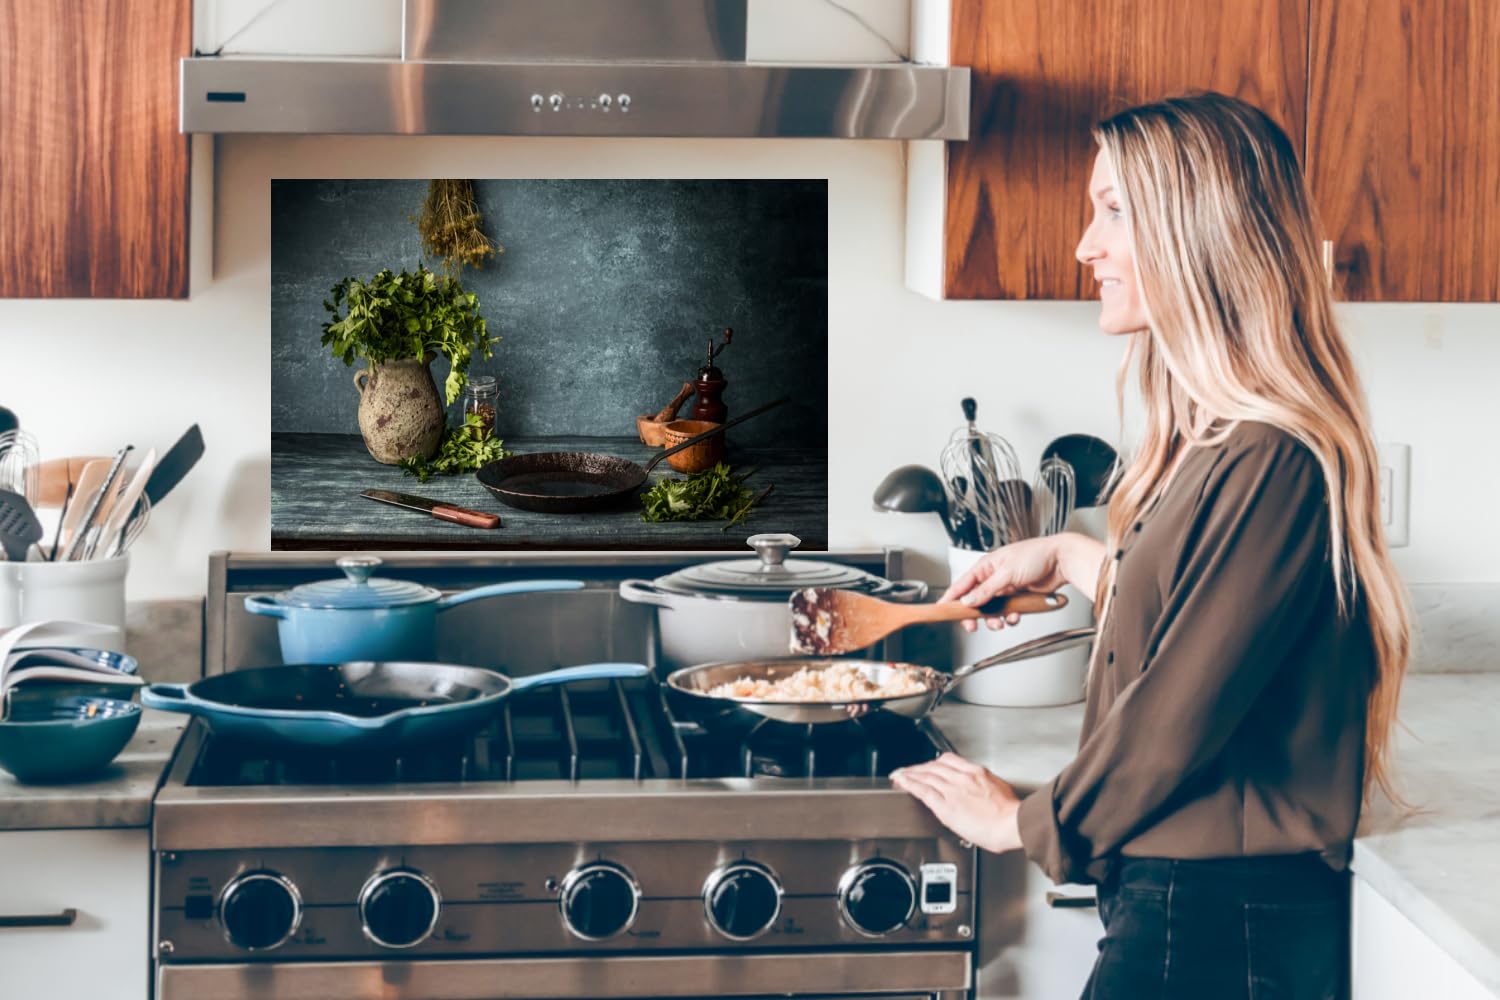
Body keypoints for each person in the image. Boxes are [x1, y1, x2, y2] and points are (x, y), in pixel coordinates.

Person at [890, 92, 1411, 1000]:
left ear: (1200, 232)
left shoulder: (1274, 454)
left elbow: (1178, 712)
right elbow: (1204, 610)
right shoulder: (1214, 440)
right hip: (1191, 901)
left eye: (1114, 211)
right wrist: (1071, 555)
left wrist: (1028, 823)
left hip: (1222, 918)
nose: (1087, 244)